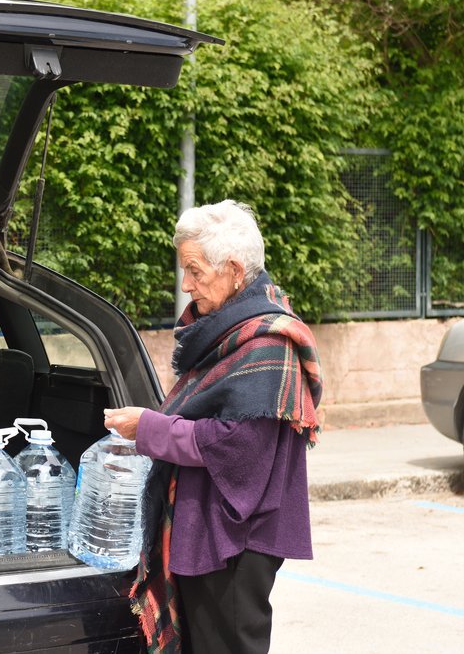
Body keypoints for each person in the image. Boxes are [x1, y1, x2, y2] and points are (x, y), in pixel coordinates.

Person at [104, 200, 322, 654]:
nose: (186, 286)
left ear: (235, 270)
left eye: (195, 271)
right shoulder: (228, 332)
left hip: (238, 542)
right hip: (210, 526)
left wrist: (150, 428)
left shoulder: (267, 344)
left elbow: (238, 448)